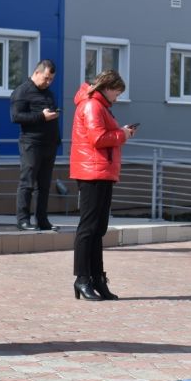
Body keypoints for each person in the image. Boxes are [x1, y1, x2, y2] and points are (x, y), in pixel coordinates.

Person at [69, 69, 135, 301]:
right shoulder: (92, 106)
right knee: (88, 229)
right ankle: (82, 278)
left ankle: (96, 278)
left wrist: (119, 132)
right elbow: (97, 138)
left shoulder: (99, 106)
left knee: (98, 229)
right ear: (107, 87)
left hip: (101, 171)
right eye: (117, 92)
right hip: (92, 172)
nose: (117, 97)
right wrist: (122, 134)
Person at [11, 59, 60, 231]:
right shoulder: (22, 91)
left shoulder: (48, 93)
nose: (48, 82)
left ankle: (42, 220)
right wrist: (41, 116)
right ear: (37, 73)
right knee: (27, 182)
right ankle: (23, 220)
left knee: (44, 185)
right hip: (31, 144)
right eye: (46, 78)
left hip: (49, 144)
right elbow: (16, 117)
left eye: (51, 79)